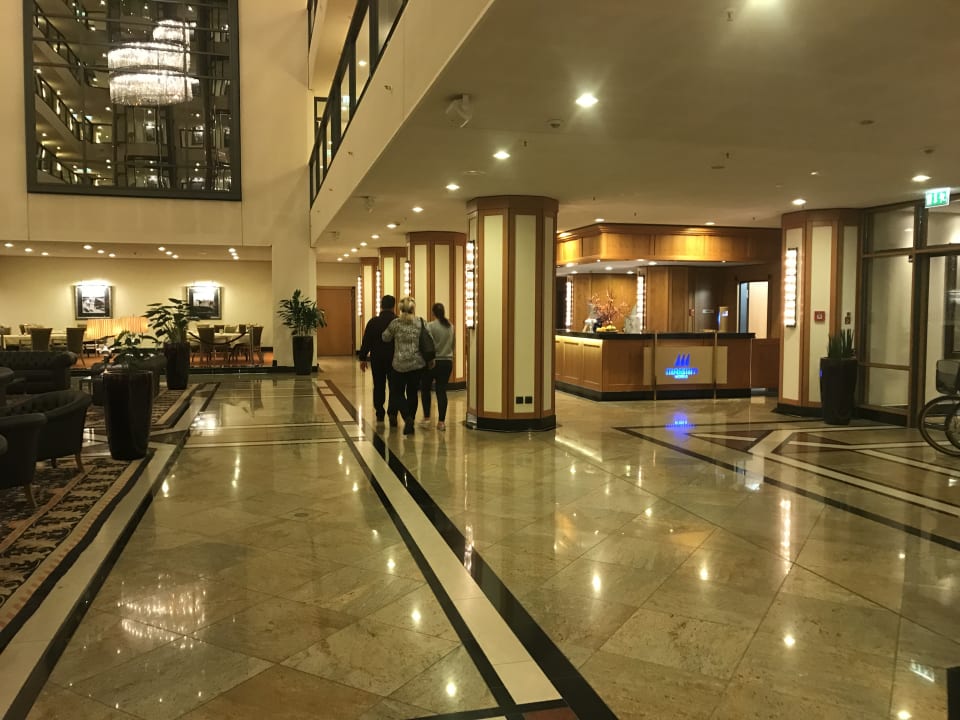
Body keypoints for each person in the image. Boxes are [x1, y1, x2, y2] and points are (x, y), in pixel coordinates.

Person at [382, 296, 433, 435]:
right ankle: (411, 420)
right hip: (417, 365)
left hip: (399, 364)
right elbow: (429, 338)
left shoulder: (396, 323)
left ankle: (407, 417)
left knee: (397, 392)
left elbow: (385, 337)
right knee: (412, 393)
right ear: (413, 308)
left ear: (400, 308)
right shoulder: (421, 322)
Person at [358, 295, 398, 425]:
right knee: (394, 386)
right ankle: (392, 413)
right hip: (394, 359)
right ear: (394, 306)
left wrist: (363, 357)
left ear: (381, 306)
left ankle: (380, 412)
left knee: (379, 385)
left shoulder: (373, 322)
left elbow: (366, 341)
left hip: (377, 359)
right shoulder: (397, 322)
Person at [420, 302, 455, 430]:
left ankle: (427, 418)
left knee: (425, 389)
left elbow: (427, 345)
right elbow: (453, 345)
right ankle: (441, 422)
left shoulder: (430, 326)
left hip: (432, 362)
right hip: (447, 362)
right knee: (441, 391)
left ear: (433, 313)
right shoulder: (451, 326)